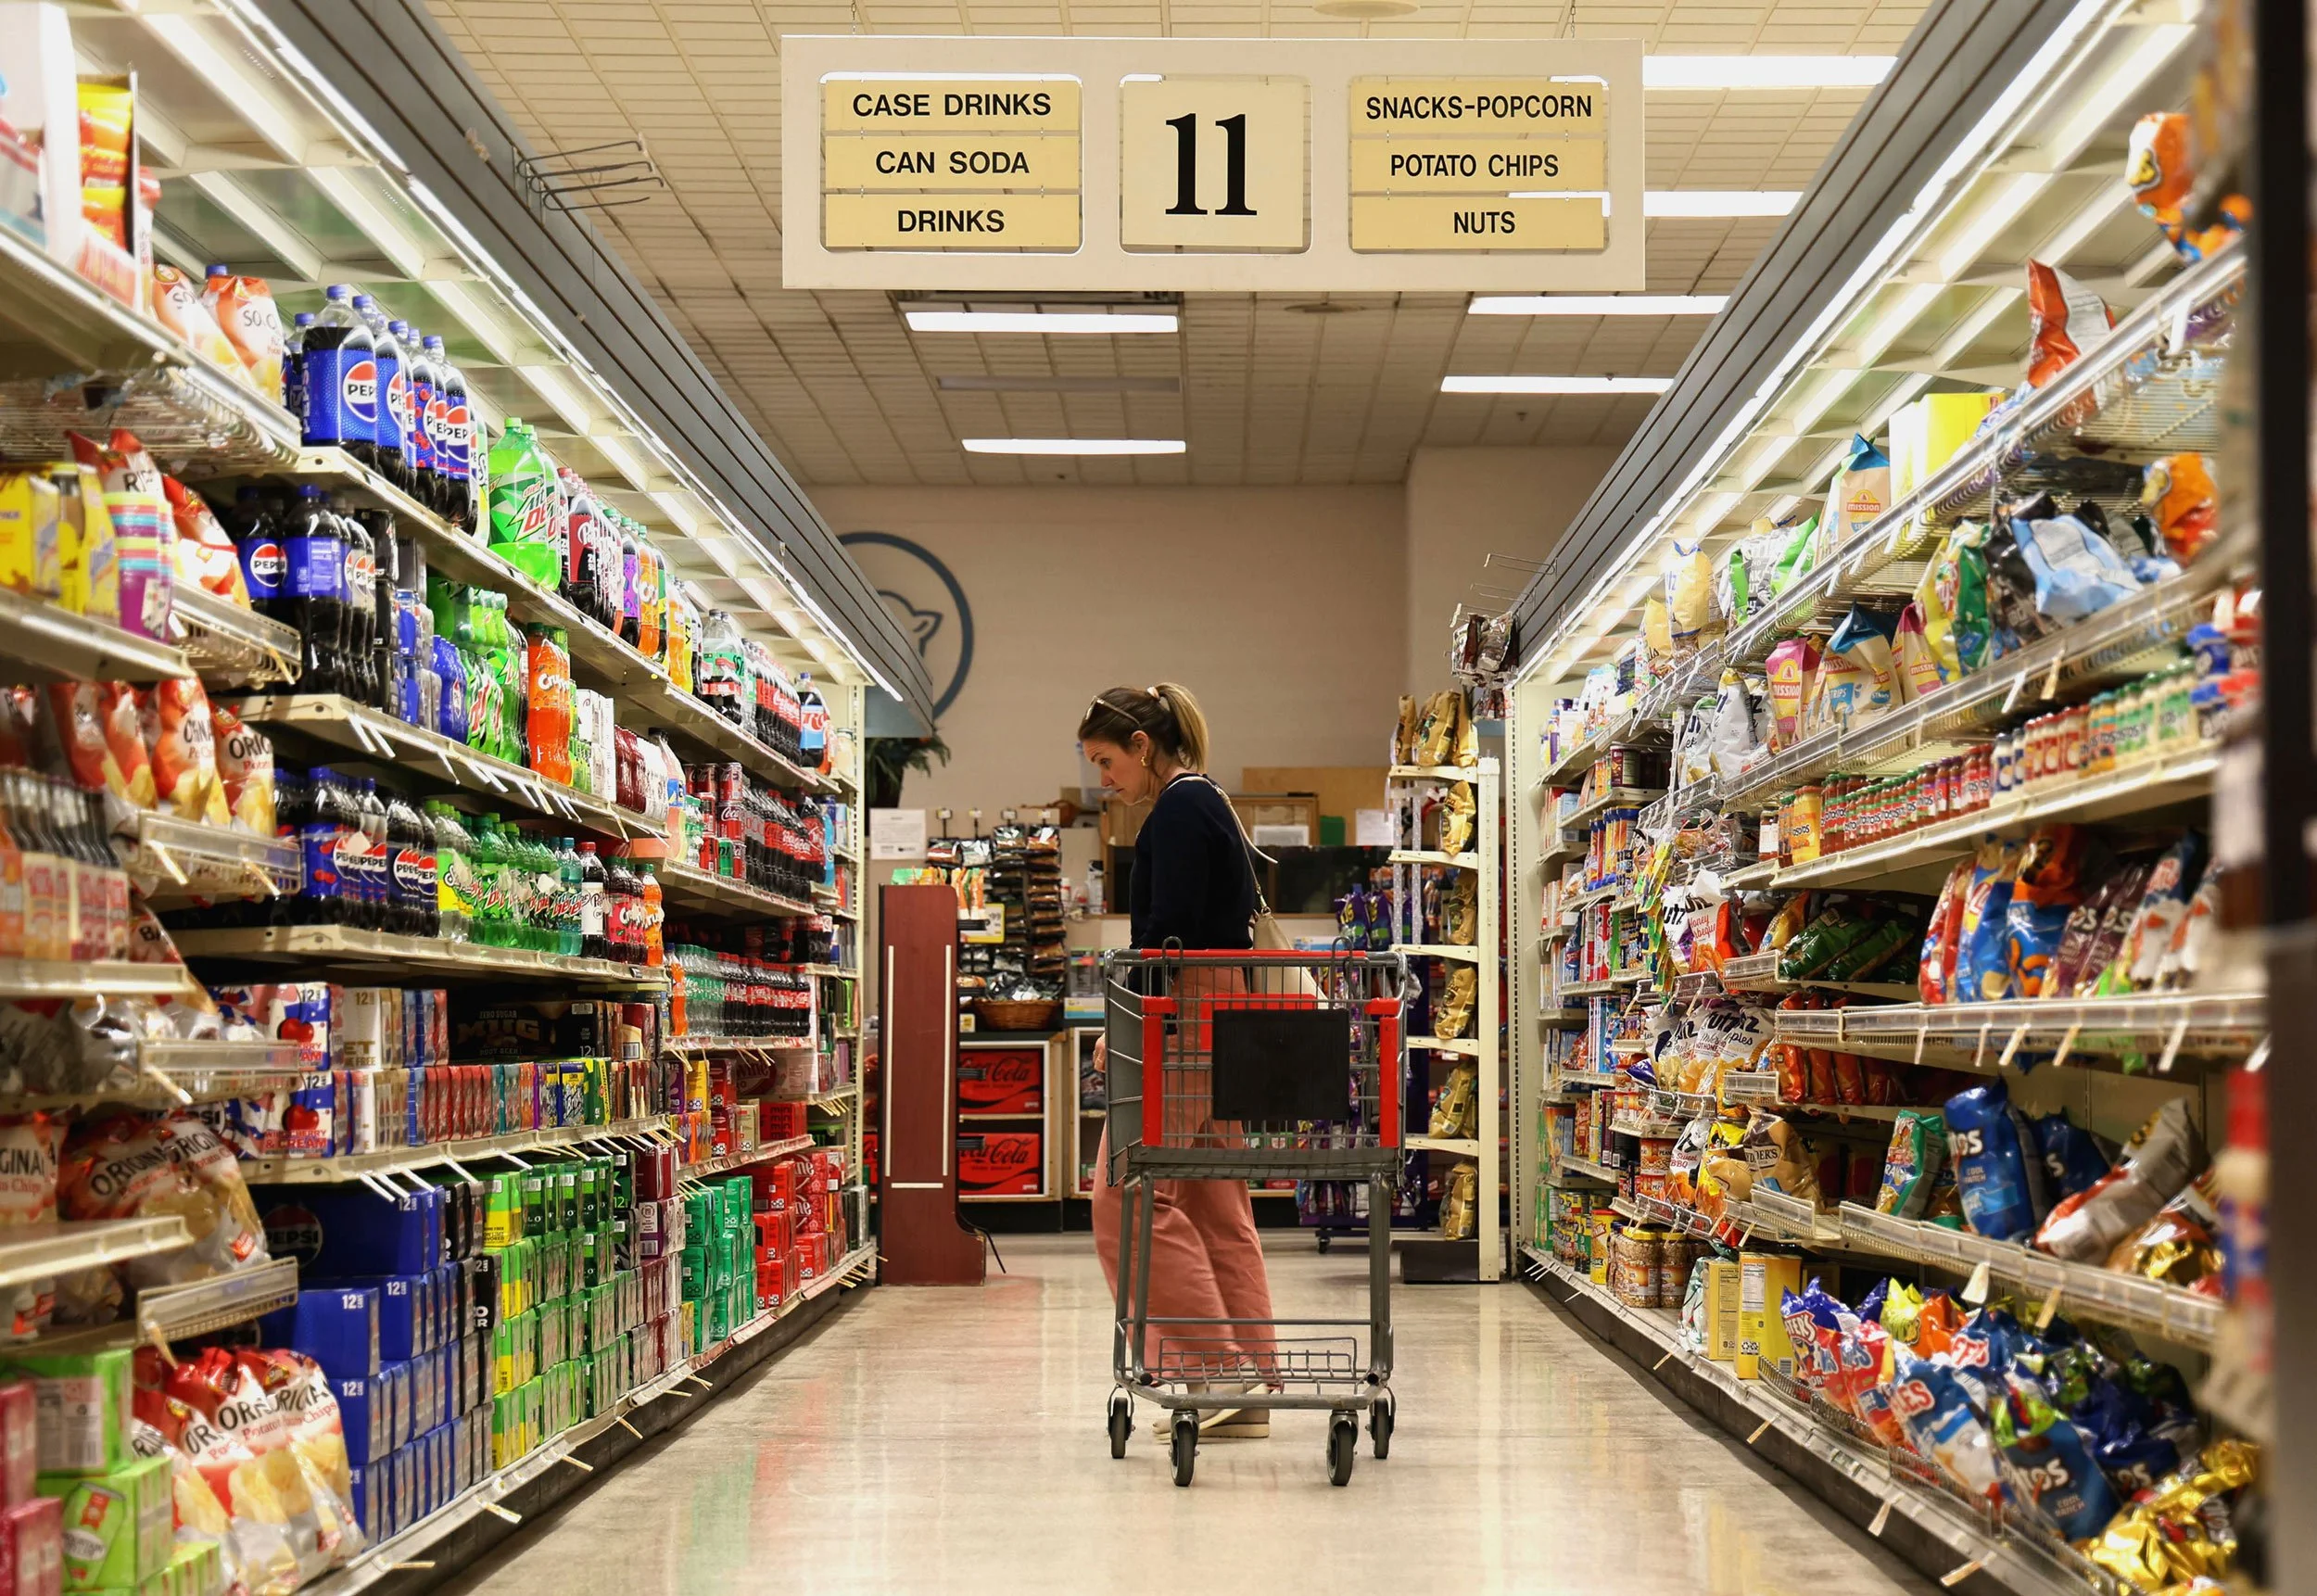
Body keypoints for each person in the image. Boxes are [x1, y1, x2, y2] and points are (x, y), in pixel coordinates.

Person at [1078, 683, 1276, 1438]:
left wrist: (1130, 1024)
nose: (1105, 779)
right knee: (1212, 1204)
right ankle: (1250, 1384)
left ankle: (1212, 1372)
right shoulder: (1202, 802)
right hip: (1216, 1010)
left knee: (1124, 1195)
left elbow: (1173, 938)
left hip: (1187, 1014)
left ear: (1142, 747)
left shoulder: (1182, 808)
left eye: (1107, 761)